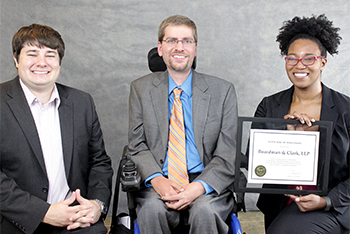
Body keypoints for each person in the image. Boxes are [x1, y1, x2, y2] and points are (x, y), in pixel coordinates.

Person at [127, 15, 238, 234]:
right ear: (160, 48)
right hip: (159, 180)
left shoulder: (222, 91)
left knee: (204, 211)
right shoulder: (140, 89)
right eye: (171, 41)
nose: (179, 47)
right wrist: (157, 181)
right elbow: (136, 145)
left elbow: (228, 152)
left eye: (186, 41)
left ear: (195, 49)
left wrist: (197, 188)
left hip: (205, 180)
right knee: (150, 210)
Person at [0, 24, 113, 234]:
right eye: (32, 54)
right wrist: (42, 212)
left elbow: (99, 162)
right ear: (16, 59)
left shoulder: (81, 103)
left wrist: (96, 205)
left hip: (74, 220)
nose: (41, 63)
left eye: (50, 55)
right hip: (14, 222)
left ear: (59, 61)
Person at [254, 15, 350, 233]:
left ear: (323, 62)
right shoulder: (269, 106)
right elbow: (256, 164)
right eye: (292, 58)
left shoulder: (346, 110)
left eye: (309, 58)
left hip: (332, 207)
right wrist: (289, 136)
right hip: (280, 205)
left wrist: (326, 201)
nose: (299, 65)